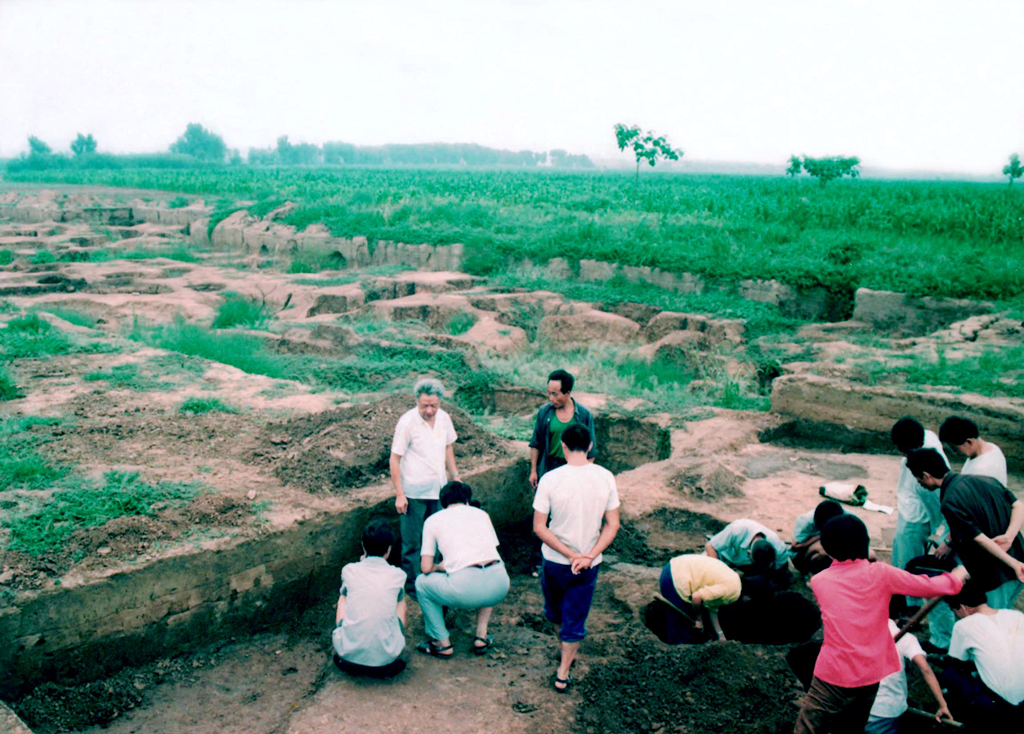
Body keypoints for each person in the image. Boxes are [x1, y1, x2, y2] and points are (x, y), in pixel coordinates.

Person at [793, 514, 967, 734]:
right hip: (872, 672)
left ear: (828, 548)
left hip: (833, 674)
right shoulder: (882, 574)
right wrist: (956, 577)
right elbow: (927, 586)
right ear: (865, 543)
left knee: (807, 727)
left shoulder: (819, 582)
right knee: (855, 724)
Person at [533, 423, 620, 694]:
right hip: (588, 565)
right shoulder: (606, 476)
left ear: (564, 447)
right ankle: (564, 671)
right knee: (575, 617)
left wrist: (570, 555)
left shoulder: (550, 478)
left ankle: (564, 657)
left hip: (556, 561)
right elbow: (612, 524)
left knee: (556, 612)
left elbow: (539, 527)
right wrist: (588, 556)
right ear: (590, 446)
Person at [906, 448, 1024, 610]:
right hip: (1017, 565)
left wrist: (1013, 564)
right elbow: (1018, 506)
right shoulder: (987, 480)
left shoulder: (950, 501)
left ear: (927, 475)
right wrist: (1010, 537)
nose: (919, 483)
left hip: (998, 574)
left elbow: (979, 538)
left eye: (918, 478)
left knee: (991, 625)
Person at [414, 481, 510, 658]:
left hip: (466, 589)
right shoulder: (482, 514)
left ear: (443, 503)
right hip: (499, 583)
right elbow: (488, 550)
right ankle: (481, 636)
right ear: (467, 500)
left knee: (421, 583)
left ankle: (442, 643)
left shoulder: (433, 520)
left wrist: (441, 567)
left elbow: (425, 568)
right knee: (486, 572)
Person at [390, 378, 460, 594]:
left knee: (437, 539)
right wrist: (400, 494)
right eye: (424, 406)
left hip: (438, 491)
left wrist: (454, 476)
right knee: (412, 543)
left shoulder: (444, 419)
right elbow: (394, 459)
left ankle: (435, 582)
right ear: (416, 402)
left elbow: (448, 447)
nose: (429, 410)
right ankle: (413, 587)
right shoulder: (407, 422)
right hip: (413, 492)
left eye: (434, 406)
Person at [528, 368, 598, 577]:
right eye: (549, 393)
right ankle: (541, 561)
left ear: (568, 393)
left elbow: (591, 449)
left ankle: (576, 556)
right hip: (550, 467)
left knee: (570, 512)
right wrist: (534, 470)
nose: (551, 398)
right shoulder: (545, 413)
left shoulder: (583, 415)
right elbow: (536, 443)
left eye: (555, 394)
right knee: (544, 515)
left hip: (575, 468)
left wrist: (585, 473)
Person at [889, 417, 952, 650]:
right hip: (912, 513)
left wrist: (944, 540)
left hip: (921, 520)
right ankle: (908, 604)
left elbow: (945, 514)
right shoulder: (923, 438)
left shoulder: (934, 483)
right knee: (903, 562)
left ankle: (917, 614)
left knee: (920, 570)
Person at [939, 583, 1024, 728]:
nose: (956, 615)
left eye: (955, 611)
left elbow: (958, 663)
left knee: (950, 674)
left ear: (963, 607)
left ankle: (965, 718)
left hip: (1007, 704)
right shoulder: (1017, 615)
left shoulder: (964, 625)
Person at [332, 519, 408, 678]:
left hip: (347, 656)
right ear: (388, 550)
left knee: (343, 596)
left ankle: (344, 632)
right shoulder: (398, 575)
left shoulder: (349, 570)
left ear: (363, 546)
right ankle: (392, 637)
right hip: (387, 659)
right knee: (400, 600)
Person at [864, 619, 951, 734]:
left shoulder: (859, 631)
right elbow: (925, 669)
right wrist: (942, 704)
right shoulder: (906, 638)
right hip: (886, 708)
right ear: (898, 617)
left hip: (858, 703)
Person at [658, 553, 742, 641]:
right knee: (680, 630)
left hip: (677, 566)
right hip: (675, 578)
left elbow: (712, 608)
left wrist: (720, 634)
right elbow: (696, 597)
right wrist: (699, 619)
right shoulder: (731, 591)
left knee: (684, 626)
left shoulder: (734, 580)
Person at [705, 518, 791, 580]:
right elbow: (710, 546)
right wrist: (717, 572)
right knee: (705, 571)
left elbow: (782, 565)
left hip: (750, 567)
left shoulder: (778, 547)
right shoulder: (737, 530)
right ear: (749, 553)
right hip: (725, 556)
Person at [939, 416, 1008, 487]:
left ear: (969, 442)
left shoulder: (979, 471)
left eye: (955, 449)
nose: (955, 453)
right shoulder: (993, 448)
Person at [791, 501, 846, 574]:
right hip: (806, 554)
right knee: (820, 554)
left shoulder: (846, 517)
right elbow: (794, 547)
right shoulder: (805, 521)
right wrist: (817, 537)